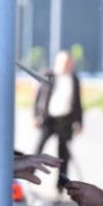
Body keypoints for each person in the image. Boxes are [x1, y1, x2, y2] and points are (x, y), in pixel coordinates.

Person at [33, 50, 83, 194]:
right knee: (38, 149)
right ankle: (28, 176)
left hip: (66, 120)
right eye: (64, 62)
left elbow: (78, 102)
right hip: (48, 119)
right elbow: (38, 97)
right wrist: (36, 115)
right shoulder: (49, 75)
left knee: (63, 156)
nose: (67, 65)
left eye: (69, 63)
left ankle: (61, 186)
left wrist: (79, 122)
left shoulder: (74, 79)